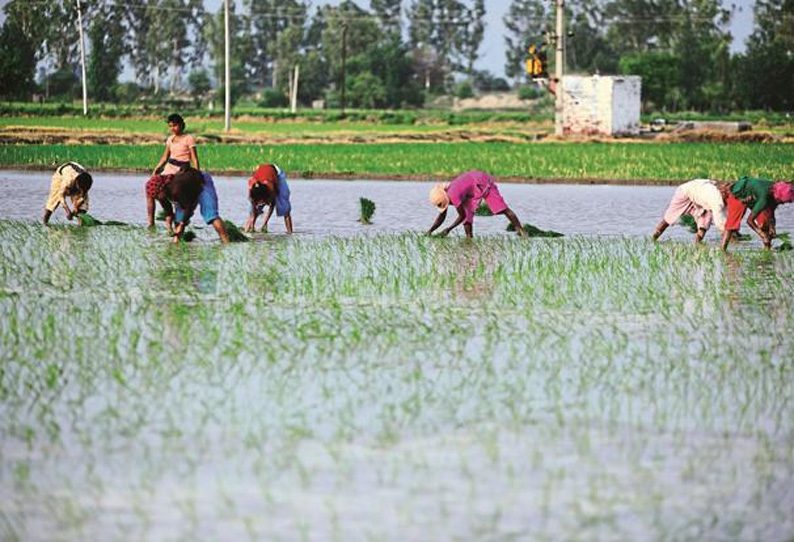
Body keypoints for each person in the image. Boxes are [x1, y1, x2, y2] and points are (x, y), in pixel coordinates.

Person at [426, 170, 526, 238]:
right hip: (470, 188)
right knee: (467, 216)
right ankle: (469, 239)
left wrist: (448, 229)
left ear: (445, 198)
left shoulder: (453, 195)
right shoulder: (448, 195)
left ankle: (521, 230)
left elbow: (461, 216)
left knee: (501, 208)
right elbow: (442, 216)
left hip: (481, 181)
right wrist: (430, 231)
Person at [149, 168, 230, 244]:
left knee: (211, 215)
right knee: (178, 219)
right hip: (188, 190)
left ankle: (226, 243)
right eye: (155, 197)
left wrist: (182, 224)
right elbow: (169, 213)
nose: (158, 198)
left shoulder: (177, 189)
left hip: (202, 182)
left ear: (162, 189)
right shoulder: (162, 195)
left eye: (158, 195)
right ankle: (176, 245)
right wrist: (169, 227)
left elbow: (189, 207)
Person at [720, 177, 794, 251]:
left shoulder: (775, 192)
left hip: (754, 196)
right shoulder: (764, 197)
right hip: (739, 194)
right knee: (731, 224)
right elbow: (749, 220)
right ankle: (722, 250)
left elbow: (771, 213)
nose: (782, 204)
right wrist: (761, 234)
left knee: (764, 221)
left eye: (784, 202)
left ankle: (767, 250)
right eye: (782, 202)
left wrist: (772, 227)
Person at [652, 179, 729, 244]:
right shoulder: (716, 199)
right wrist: (728, 234)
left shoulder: (719, 199)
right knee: (669, 218)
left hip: (700, 198)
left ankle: (697, 244)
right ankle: (653, 238)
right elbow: (720, 223)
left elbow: (725, 217)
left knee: (705, 221)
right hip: (685, 192)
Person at [243, 164, 293, 233]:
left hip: (276, 173)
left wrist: (265, 223)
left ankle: (290, 232)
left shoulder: (270, 188)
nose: (260, 203)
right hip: (264, 175)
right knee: (251, 212)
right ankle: (248, 227)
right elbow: (253, 209)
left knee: (284, 207)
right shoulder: (252, 190)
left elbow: (272, 205)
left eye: (261, 201)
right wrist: (252, 222)